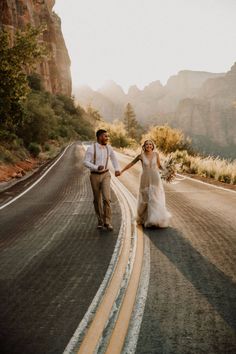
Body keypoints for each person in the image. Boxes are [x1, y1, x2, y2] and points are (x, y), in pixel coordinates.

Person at [120, 139, 171, 228]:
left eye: (150, 144)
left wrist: (168, 172)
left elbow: (159, 166)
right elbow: (130, 164)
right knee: (145, 198)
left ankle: (155, 220)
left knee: (155, 198)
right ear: (144, 146)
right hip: (145, 178)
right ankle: (145, 218)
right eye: (147, 144)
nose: (149, 146)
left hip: (155, 178)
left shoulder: (156, 155)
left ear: (152, 146)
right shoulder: (140, 156)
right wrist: (122, 171)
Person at [84, 129, 121, 230]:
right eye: (105, 136)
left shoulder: (109, 148)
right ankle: (100, 220)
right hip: (94, 175)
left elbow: (114, 159)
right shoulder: (91, 148)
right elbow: (85, 162)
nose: (107, 138)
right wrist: (96, 167)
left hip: (106, 175)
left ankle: (107, 222)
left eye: (107, 136)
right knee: (97, 199)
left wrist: (117, 169)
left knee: (107, 199)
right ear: (99, 137)